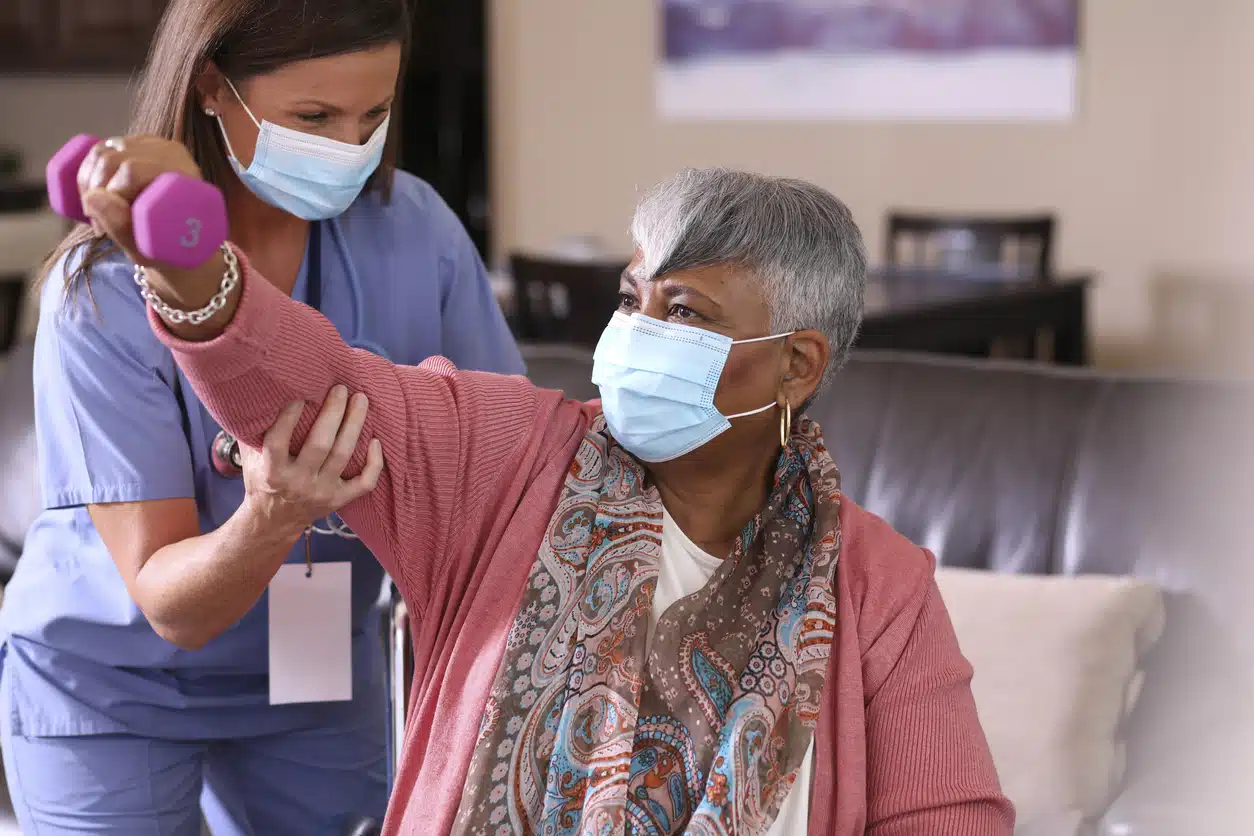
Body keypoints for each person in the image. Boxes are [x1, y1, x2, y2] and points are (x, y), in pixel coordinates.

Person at [78, 154, 1014, 834]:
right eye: (630, 298)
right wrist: (189, 269)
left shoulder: (877, 585)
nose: (637, 334)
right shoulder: (506, 460)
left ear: (796, 366)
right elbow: (321, 395)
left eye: (682, 312)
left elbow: (949, 817)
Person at [0, 0, 523, 833]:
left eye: (373, 116)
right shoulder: (99, 291)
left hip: (309, 664)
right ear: (213, 85)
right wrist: (274, 515)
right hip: (116, 679)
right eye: (312, 117)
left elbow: (508, 465)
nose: (348, 147)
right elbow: (175, 605)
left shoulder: (414, 231)